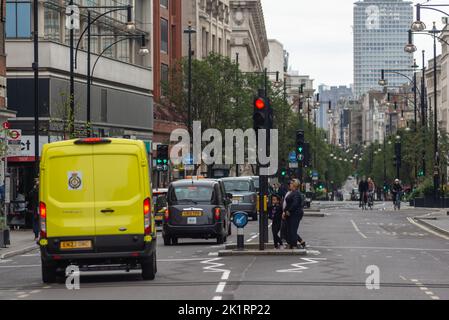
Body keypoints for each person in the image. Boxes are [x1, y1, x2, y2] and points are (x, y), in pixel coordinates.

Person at [283, 179, 306, 249]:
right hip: (290, 214)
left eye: (291, 183)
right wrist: (284, 211)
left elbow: (295, 204)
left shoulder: (296, 193)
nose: (290, 184)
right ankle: (292, 244)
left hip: (295, 214)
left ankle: (294, 245)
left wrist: (288, 211)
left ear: (295, 185)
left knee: (293, 229)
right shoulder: (292, 192)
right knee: (289, 229)